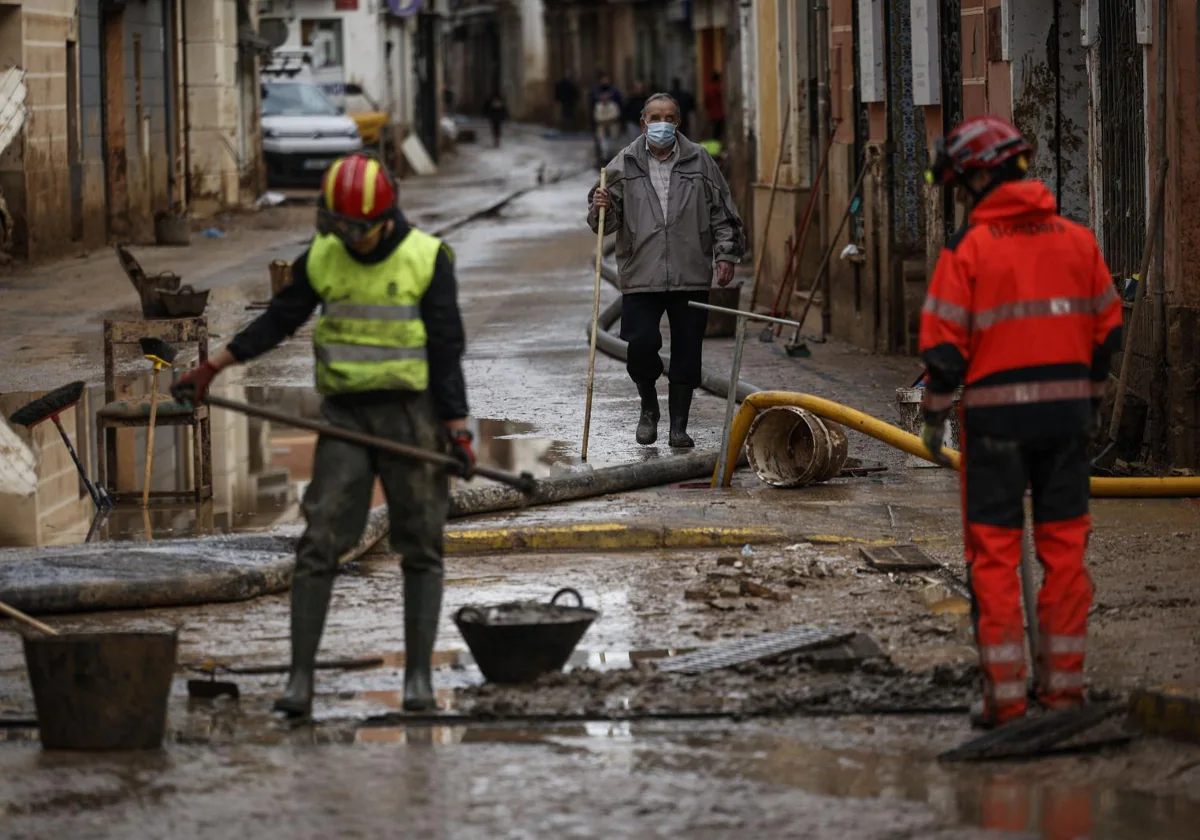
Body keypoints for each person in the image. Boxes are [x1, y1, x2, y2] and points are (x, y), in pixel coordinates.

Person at [171, 152, 473, 718]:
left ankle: (416, 681)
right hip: (344, 418)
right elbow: (280, 319)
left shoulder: (426, 259)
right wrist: (213, 366)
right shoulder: (326, 255)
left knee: (421, 546)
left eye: (358, 228)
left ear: (386, 217)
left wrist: (457, 428)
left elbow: (446, 349)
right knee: (319, 544)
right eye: (340, 226)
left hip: (413, 417)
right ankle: (300, 682)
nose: (350, 238)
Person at [918, 116, 1123, 728]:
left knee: (995, 557)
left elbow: (944, 350)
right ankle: (1064, 693)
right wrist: (1084, 401)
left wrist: (933, 418)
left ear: (980, 177)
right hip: (1066, 427)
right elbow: (1106, 331)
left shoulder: (969, 249)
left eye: (960, 186)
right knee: (1064, 554)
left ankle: (1006, 701)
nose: (960, 198)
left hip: (995, 431)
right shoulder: (1078, 240)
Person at [588, 92, 744, 448]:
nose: (662, 124)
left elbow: (723, 211)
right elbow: (602, 224)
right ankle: (648, 408)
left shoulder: (700, 159)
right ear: (643, 123)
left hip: (690, 271)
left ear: (678, 123)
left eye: (669, 117)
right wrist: (601, 206)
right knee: (641, 344)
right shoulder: (623, 164)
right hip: (641, 272)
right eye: (655, 117)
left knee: (688, 350)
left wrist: (726, 255)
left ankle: (679, 425)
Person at [592, 91, 621, 167]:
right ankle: (605, 162)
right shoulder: (598, 106)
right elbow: (597, 118)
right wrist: (605, 120)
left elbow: (615, 116)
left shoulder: (613, 106)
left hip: (612, 128)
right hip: (602, 129)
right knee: (604, 147)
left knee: (612, 147)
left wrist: (607, 120)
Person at [703, 72, 725, 142]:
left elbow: (706, 104)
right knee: (720, 133)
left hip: (712, 115)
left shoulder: (708, 88)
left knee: (714, 133)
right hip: (720, 114)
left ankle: (714, 147)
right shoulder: (719, 87)